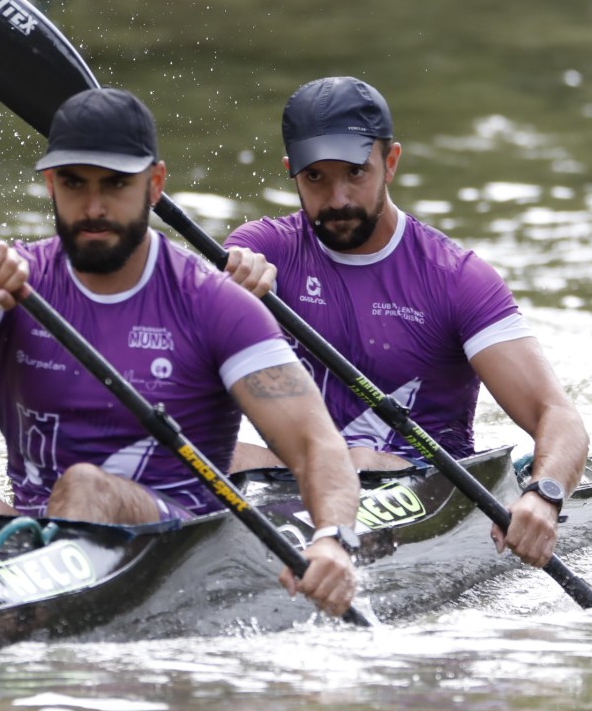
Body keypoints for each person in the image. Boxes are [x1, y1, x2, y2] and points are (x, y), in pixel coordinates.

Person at [0, 87, 362, 617]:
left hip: (175, 547)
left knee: (85, 487)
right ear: (50, 184)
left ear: (154, 185)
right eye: (75, 184)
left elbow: (315, 443)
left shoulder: (215, 305)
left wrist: (333, 538)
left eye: (115, 185)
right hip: (39, 543)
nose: (94, 208)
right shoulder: (8, 281)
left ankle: (31, 646)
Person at [223, 75, 589, 570]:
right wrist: (225, 301)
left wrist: (543, 495)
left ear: (390, 162)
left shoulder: (456, 278)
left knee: (359, 460)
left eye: (355, 172)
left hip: (421, 488)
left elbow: (558, 415)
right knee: (213, 455)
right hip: (299, 478)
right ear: (291, 172)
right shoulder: (261, 250)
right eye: (316, 178)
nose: (337, 198)